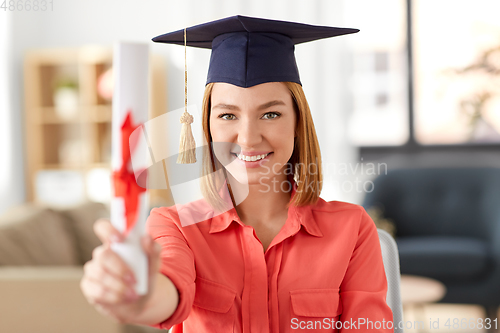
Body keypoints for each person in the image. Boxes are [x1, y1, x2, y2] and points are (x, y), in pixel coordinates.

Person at [80, 15, 394, 332]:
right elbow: (168, 290)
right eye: (228, 115)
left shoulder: (352, 229)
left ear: (298, 122)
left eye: (270, 113)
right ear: (207, 126)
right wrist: (139, 295)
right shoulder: (177, 227)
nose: (247, 137)